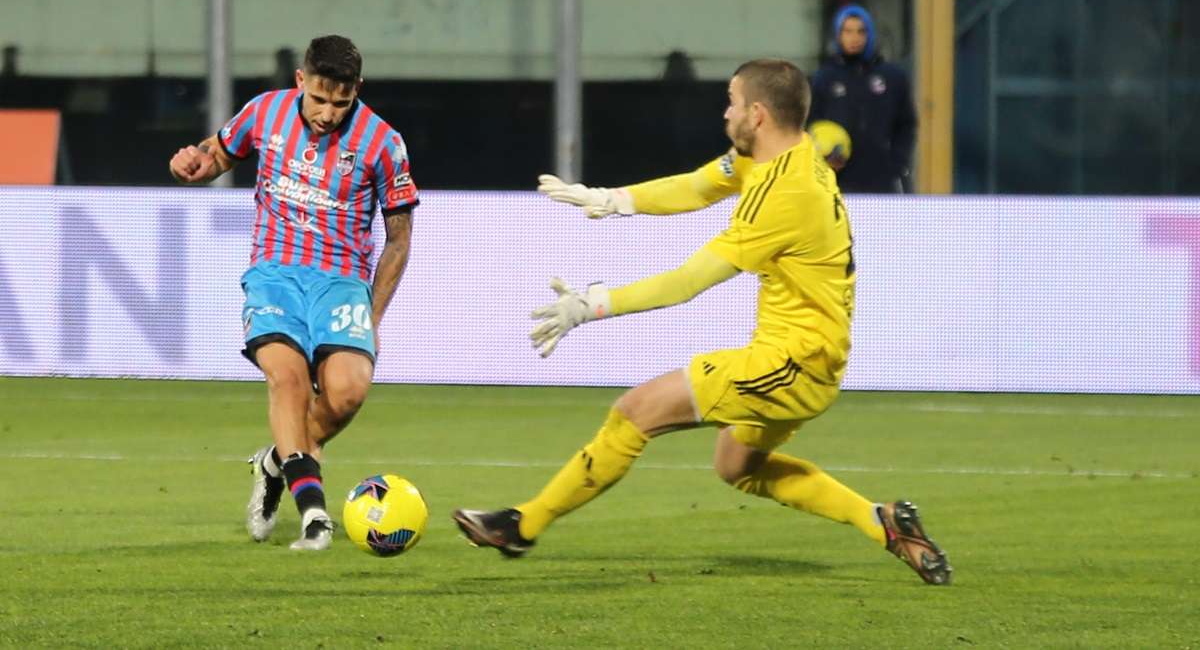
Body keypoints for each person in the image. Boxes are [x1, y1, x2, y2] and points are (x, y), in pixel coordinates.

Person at [453, 58, 950, 585]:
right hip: (812, 358)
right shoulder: (783, 155)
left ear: (756, 114)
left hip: (792, 362)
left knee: (634, 412)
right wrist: (612, 200)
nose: (725, 112)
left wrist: (591, 305)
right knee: (737, 466)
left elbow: (688, 282)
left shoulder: (783, 194)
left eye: (732, 102)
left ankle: (522, 524)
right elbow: (696, 186)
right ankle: (883, 522)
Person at [168, 35, 417, 551]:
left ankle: (276, 459)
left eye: (341, 103)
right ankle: (315, 515)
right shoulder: (264, 112)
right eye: (319, 99)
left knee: (347, 393)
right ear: (300, 81)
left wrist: (371, 315)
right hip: (275, 272)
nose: (328, 114)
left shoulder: (383, 143)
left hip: (342, 281)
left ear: (357, 92)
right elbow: (219, 152)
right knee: (288, 379)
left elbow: (397, 242)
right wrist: (195, 163)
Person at [809, 4, 917, 193]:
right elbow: (812, 124)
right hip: (837, 176)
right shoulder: (824, 78)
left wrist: (898, 162)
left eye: (861, 31)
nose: (854, 38)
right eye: (848, 31)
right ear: (838, 34)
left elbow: (906, 124)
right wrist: (823, 158)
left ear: (870, 34)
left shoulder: (893, 77)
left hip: (882, 177)